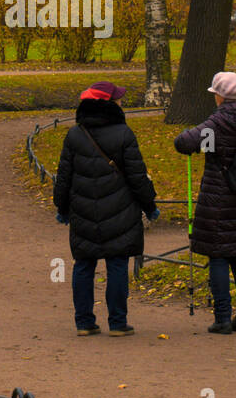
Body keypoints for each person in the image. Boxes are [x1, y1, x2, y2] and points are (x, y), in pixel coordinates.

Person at [53, 81, 158, 338]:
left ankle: (84, 322)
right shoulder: (124, 133)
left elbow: (63, 176)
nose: (121, 102)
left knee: (84, 265)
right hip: (120, 211)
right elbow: (137, 176)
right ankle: (118, 322)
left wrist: (62, 207)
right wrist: (149, 205)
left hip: (83, 210)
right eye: (117, 98)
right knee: (117, 264)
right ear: (108, 104)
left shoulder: (75, 135)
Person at [174, 70, 236, 335]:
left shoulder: (217, 123)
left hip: (219, 198)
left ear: (220, 96)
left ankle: (223, 318)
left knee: (218, 256)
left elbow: (185, 143)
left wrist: (189, 135)